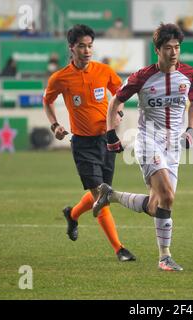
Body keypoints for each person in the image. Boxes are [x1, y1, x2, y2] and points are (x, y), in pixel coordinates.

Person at [92, 23, 193, 271]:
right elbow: (116, 100)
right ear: (157, 49)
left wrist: (191, 130)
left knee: (157, 206)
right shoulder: (142, 77)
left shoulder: (189, 75)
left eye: (177, 47)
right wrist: (111, 134)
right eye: (168, 48)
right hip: (148, 140)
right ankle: (165, 257)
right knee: (168, 197)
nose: (173, 52)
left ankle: (111, 195)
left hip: (173, 146)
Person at [42, 24, 136, 262]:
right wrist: (55, 125)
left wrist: (119, 112)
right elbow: (47, 101)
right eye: (81, 46)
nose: (86, 50)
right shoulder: (60, 78)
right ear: (71, 48)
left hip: (106, 140)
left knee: (102, 194)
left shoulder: (103, 71)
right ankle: (119, 249)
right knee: (102, 195)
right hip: (83, 143)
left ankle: (72, 214)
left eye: (90, 46)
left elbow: (120, 92)